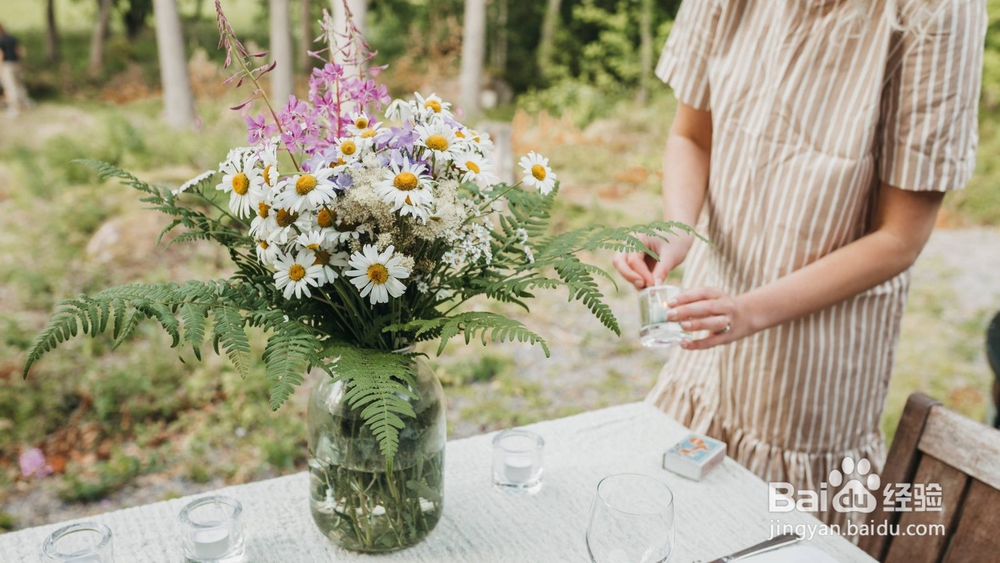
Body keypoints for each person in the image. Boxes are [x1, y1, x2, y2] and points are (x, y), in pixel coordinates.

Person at [614, 0, 986, 526]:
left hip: (812, 372)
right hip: (709, 346)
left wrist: (748, 311)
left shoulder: (939, 11)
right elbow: (692, 136)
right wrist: (679, 229)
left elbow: (900, 237)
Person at [0, 22, 28, 116]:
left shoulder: (1, 40)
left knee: (10, 86)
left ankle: (14, 108)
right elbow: (20, 50)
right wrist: (21, 61)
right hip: (17, 63)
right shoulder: (12, 38)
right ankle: (24, 104)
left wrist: (0, 69)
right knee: (19, 84)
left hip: (7, 65)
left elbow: (1, 55)